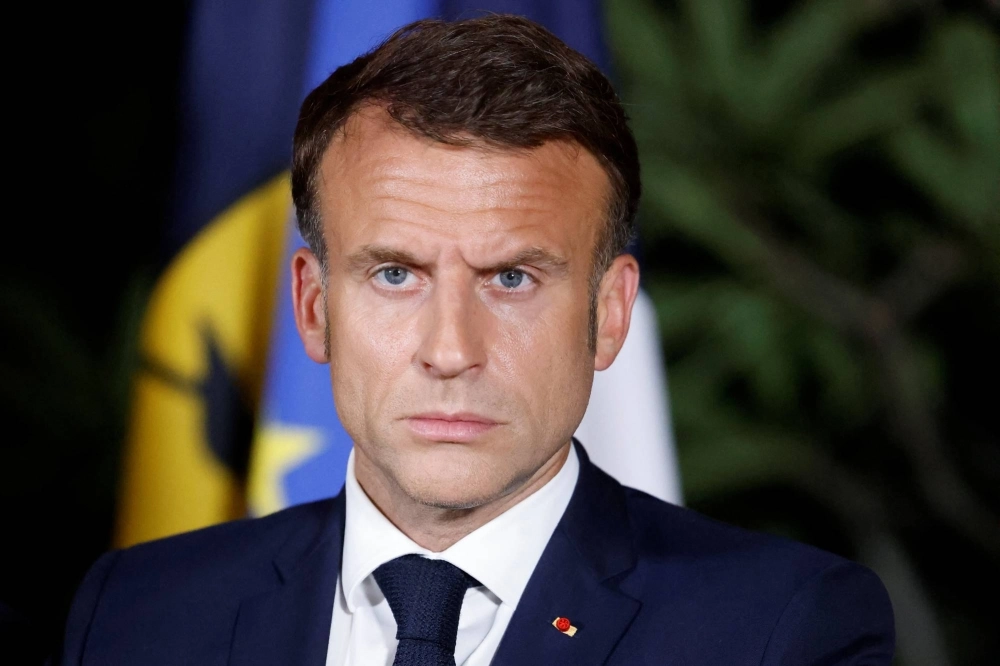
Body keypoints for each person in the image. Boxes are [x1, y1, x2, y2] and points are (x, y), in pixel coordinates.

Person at [57, 15, 894, 666]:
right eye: (395, 275)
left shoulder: (780, 632)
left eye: (511, 279)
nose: (451, 350)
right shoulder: (139, 612)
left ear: (609, 314)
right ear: (313, 308)